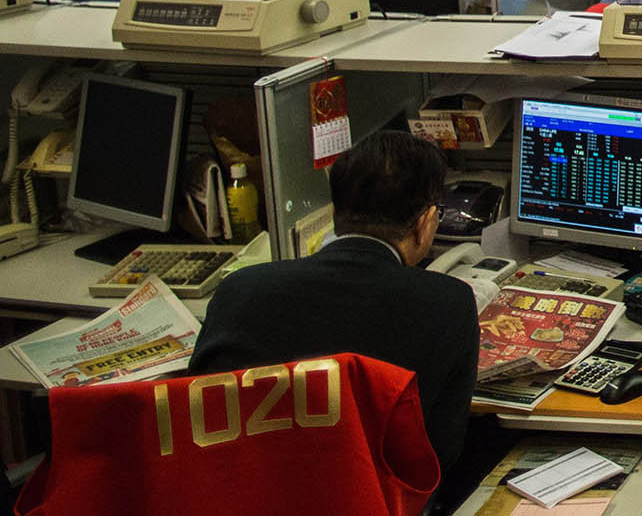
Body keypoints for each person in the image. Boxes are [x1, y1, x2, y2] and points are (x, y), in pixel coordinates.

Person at [188, 131, 478, 471]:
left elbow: (195, 423)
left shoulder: (239, 289)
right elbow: (441, 453)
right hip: (374, 502)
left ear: (335, 212)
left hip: (242, 497)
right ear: (425, 222)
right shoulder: (448, 303)